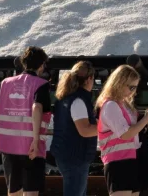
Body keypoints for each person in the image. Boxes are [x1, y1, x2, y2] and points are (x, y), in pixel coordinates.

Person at [0, 46, 54, 196]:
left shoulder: (6, 83)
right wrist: (35, 139)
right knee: (31, 192)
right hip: (31, 146)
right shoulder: (41, 85)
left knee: (13, 192)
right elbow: (37, 108)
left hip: (8, 146)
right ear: (41, 65)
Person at [97, 65, 148, 196]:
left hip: (130, 159)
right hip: (117, 162)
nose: (133, 91)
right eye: (131, 87)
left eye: (135, 87)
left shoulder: (124, 105)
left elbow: (133, 133)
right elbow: (125, 134)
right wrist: (146, 119)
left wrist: (146, 121)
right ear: (119, 83)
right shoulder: (111, 105)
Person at [51, 61, 98, 196]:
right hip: (75, 156)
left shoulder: (66, 97)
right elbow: (85, 130)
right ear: (89, 79)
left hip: (67, 154)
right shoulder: (79, 100)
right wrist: (109, 128)